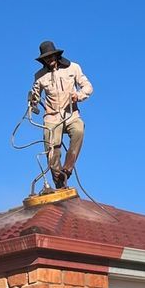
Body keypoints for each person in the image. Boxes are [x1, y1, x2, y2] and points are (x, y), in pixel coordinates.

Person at [27, 40, 93, 187]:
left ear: (56, 55)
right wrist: (33, 101)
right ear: (42, 59)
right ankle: (59, 181)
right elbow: (35, 94)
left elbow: (87, 86)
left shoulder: (73, 68)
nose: (49, 59)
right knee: (51, 150)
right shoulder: (39, 76)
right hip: (51, 117)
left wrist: (79, 95)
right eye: (46, 57)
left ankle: (68, 169)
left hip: (71, 113)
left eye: (51, 56)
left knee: (79, 130)